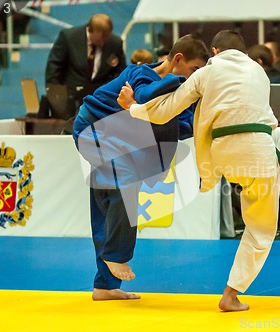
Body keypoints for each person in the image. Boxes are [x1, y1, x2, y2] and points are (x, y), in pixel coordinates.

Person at [118, 30, 280, 312]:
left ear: (216, 51)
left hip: (221, 152)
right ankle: (230, 295)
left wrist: (133, 107)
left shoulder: (208, 70)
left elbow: (169, 107)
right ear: (244, 53)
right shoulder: (260, 72)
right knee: (261, 228)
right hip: (255, 149)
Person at [72, 34, 209, 301]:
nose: (195, 78)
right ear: (177, 59)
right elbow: (145, 97)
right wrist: (181, 83)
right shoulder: (140, 73)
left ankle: (104, 286)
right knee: (125, 183)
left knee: (105, 204)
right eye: (194, 70)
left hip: (118, 138)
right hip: (93, 129)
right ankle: (115, 256)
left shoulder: (176, 91)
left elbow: (186, 124)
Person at [45, 14, 127, 110]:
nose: (104, 42)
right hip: (71, 100)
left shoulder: (115, 43)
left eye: (107, 37)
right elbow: (54, 68)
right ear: (90, 30)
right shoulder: (68, 38)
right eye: (101, 38)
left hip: (102, 101)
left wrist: (109, 92)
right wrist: (57, 98)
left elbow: (120, 73)